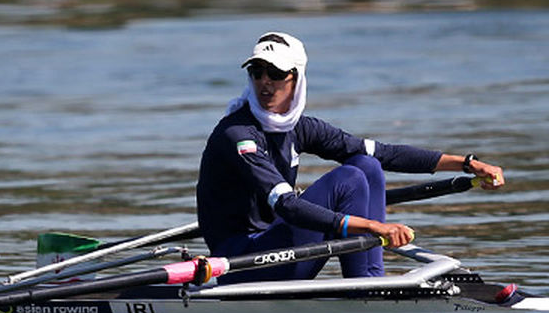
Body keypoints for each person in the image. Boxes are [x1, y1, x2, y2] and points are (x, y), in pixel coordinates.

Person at [195, 31, 504, 282]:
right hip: (243, 263)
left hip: (280, 251)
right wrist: (372, 228)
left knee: (366, 165)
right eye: (256, 71)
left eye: (275, 72)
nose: (265, 81)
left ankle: (369, 281)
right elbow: (288, 206)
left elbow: (384, 154)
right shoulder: (238, 135)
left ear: (296, 78)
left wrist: (466, 163)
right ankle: (366, 289)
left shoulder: (299, 128)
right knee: (349, 179)